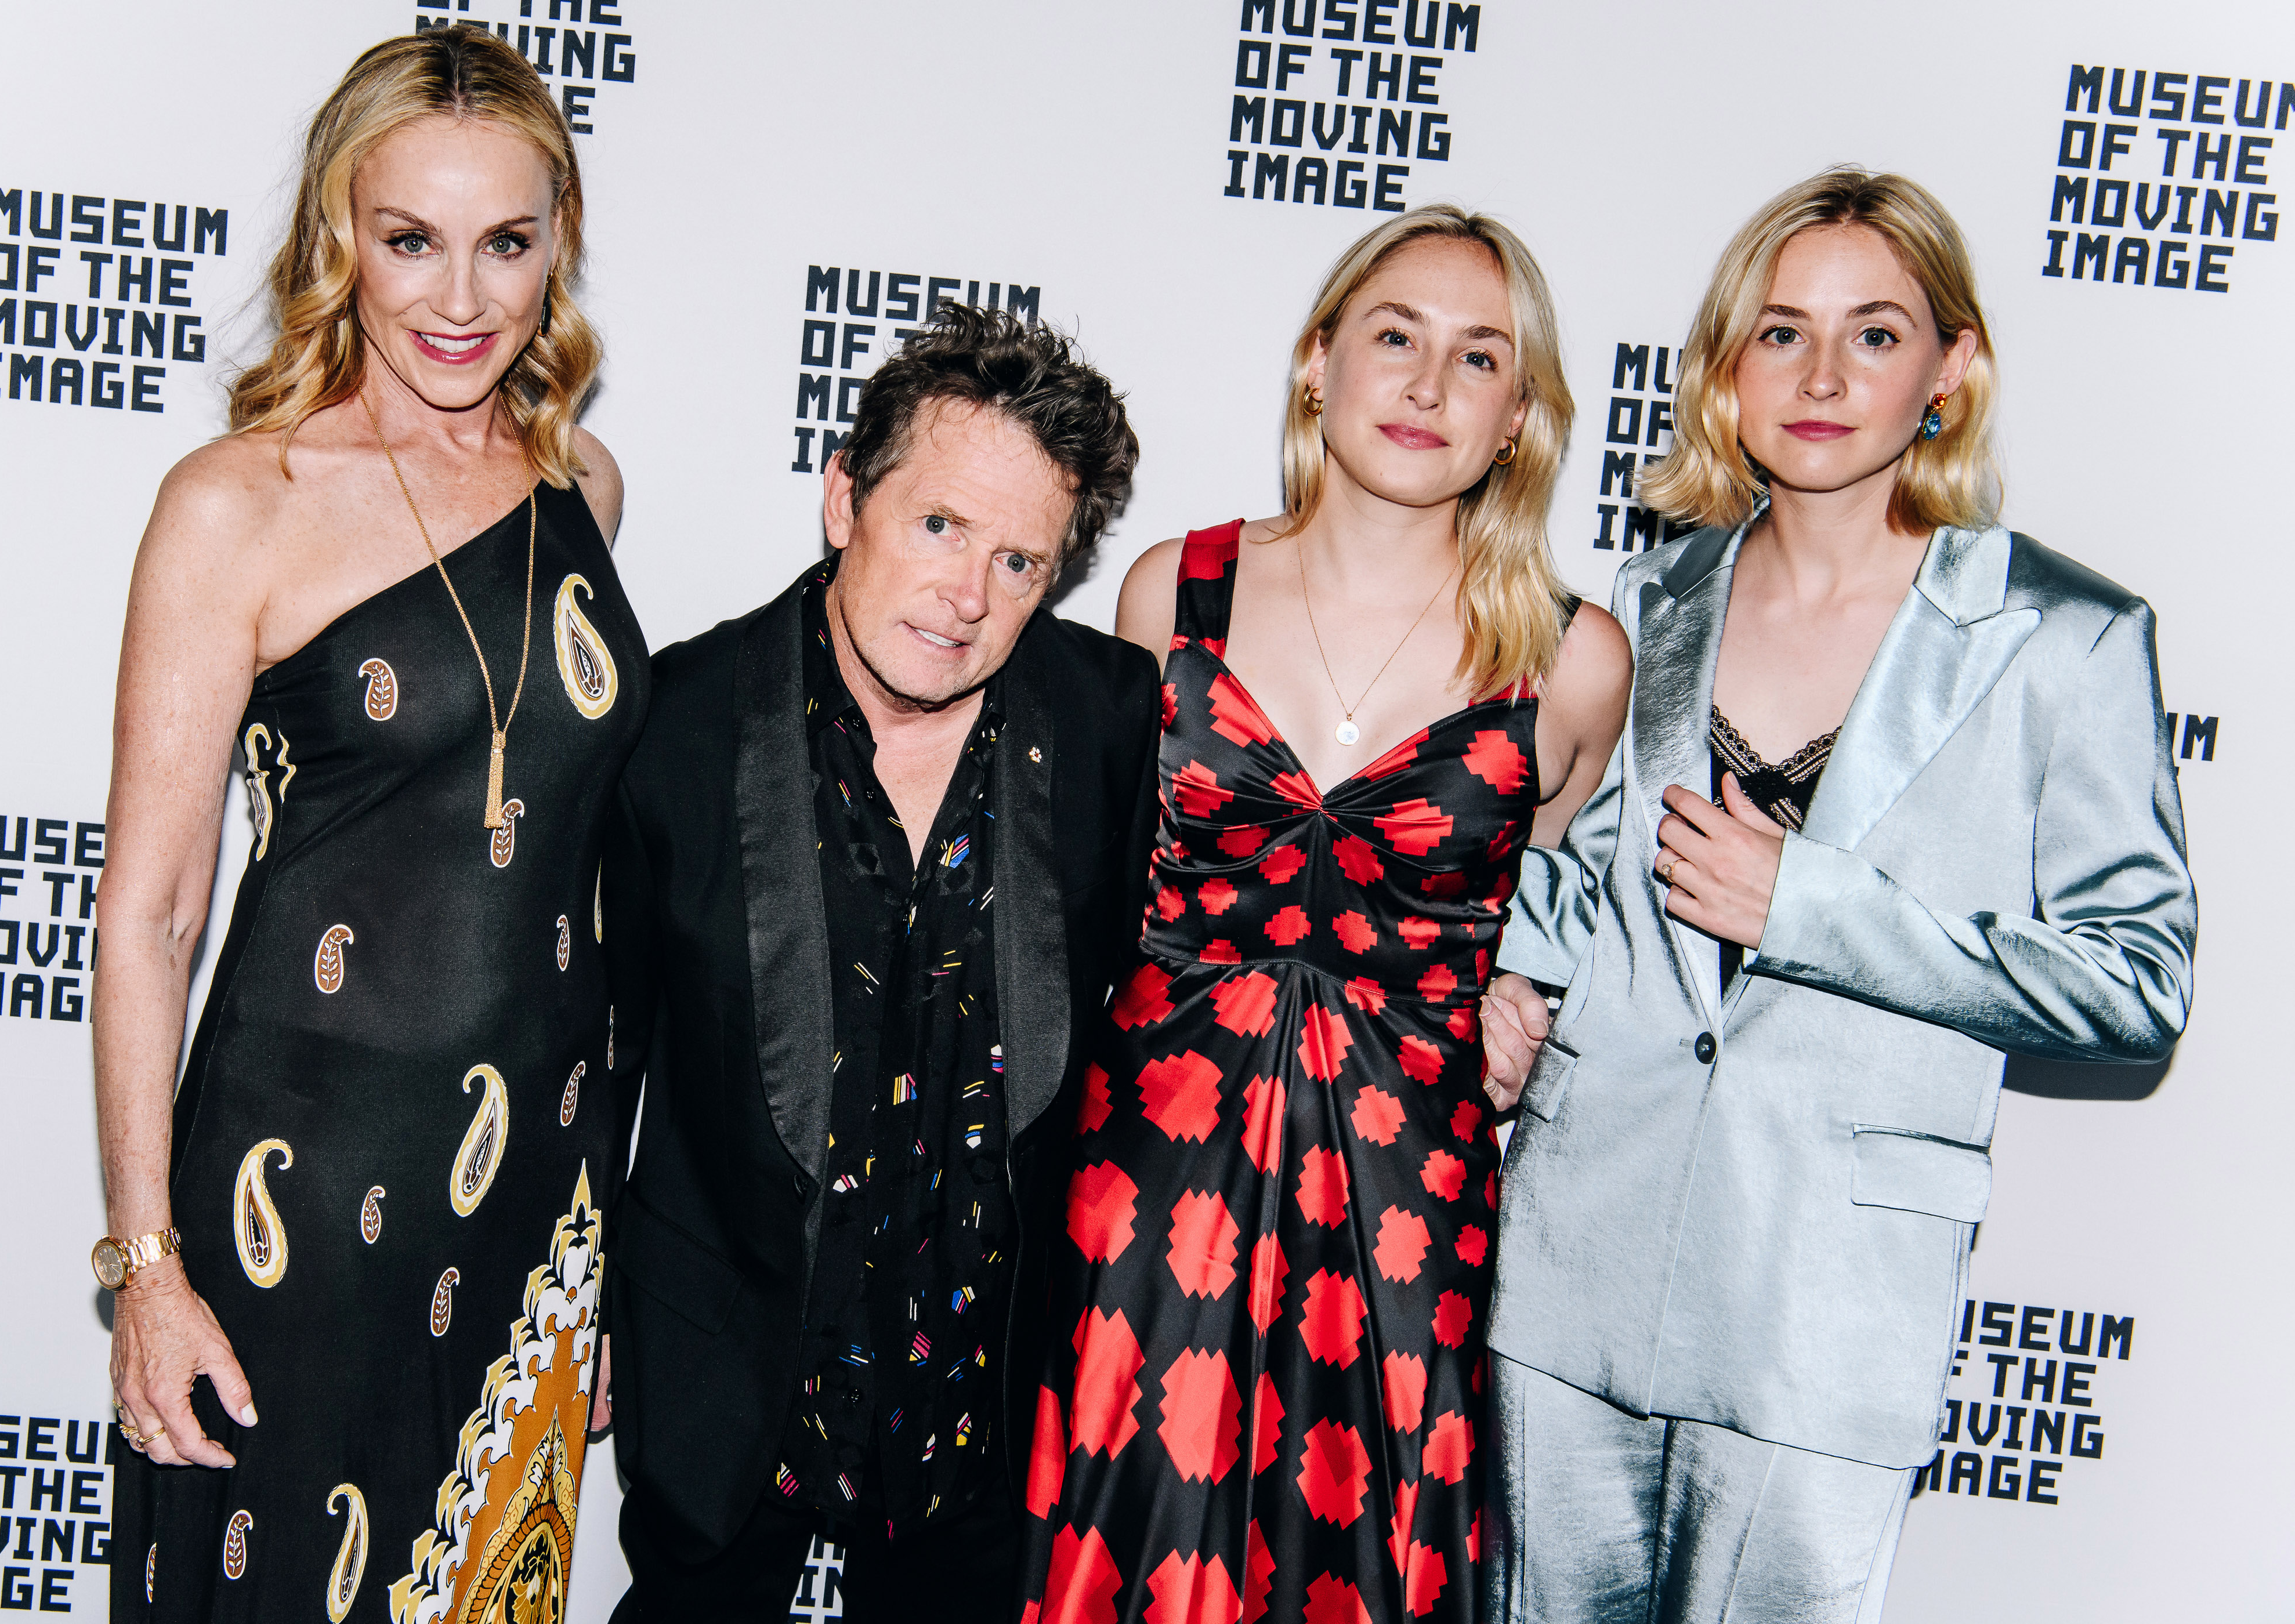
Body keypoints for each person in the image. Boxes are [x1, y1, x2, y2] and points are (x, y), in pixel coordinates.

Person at [1483, 168, 2198, 1623]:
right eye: (1780, 332)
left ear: (1953, 368)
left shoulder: (2063, 637)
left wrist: (1812, 907)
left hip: (1827, 1308)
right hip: (1571, 1268)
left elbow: (2140, 983)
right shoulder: (1649, 597)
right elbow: (1586, 874)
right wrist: (1512, 979)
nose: (1821, 375)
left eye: (1874, 334)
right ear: (1726, 374)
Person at [95, 28, 643, 1621]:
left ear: (560, 249)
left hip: (534, 1195)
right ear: (342, 237)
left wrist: (595, 1259)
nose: (460, 300)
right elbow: (150, 913)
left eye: (507, 244)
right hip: (299, 1198)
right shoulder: (238, 502)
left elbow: (574, 885)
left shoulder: (583, 486)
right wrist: (148, 1267)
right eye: (411, 241)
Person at [1020, 206, 1630, 1622]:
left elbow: (1565, 893)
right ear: (1317, 363)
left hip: (1403, 1204)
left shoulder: (1574, 660)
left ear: (1519, 417)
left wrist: (1513, 985)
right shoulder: (1176, 590)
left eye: (1479, 358)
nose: (1427, 385)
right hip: (1150, 1182)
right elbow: (1090, 887)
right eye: (1396, 337)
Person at [602, 304, 1156, 1624]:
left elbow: (1178, 993)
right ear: (846, 497)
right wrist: (584, 1306)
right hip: (729, 1369)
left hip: (985, 1387)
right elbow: (592, 1046)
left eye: (1021, 560)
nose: (969, 597)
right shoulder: (675, 722)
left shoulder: (1112, 721)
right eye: (940, 526)